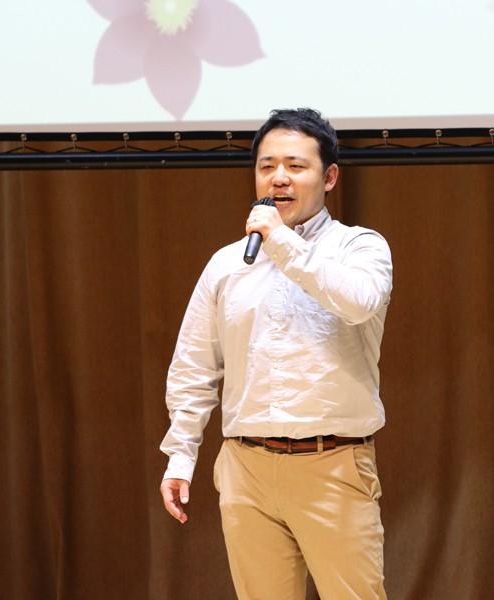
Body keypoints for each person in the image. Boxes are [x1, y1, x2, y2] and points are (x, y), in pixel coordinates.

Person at [158, 108, 393, 599]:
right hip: (246, 469)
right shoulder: (228, 263)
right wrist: (180, 456)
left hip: (332, 465)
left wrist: (280, 241)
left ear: (329, 177)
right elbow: (195, 367)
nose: (278, 178)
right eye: (266, 166)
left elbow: (358, 301)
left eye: (295, 166)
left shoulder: (360, 248)